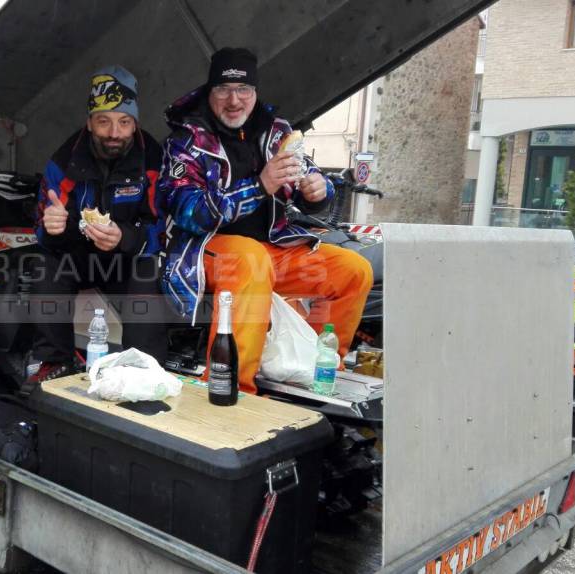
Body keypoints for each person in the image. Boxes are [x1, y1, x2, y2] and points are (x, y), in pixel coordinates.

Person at [159, 47, 373, 394]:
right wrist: (259, 186)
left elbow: (305, 174)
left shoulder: (277, 132)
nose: (234, 100)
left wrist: (317, 190)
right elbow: (189, 213)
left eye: (243, 90)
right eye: (223, 90)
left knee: (353, 270)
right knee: (250, 261)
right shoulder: (185, 141)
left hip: (274, 248)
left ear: (255, 93)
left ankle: (309, 367)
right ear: (209, 92)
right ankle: (232, 387)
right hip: (205, 251)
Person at [26, 65, 168, 384]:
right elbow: (41, 224)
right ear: (90, 122)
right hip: (78, 255)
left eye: (124, 122)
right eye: (104, 121)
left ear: (135, 123)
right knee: (44, 266)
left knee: (147, 272)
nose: (114, 133)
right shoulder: (64, 161)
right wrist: (52, 227)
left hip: (127, 257)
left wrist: (125, 238)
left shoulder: (153, 159)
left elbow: (162, 224)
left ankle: (143, 372)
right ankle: (53, 363)